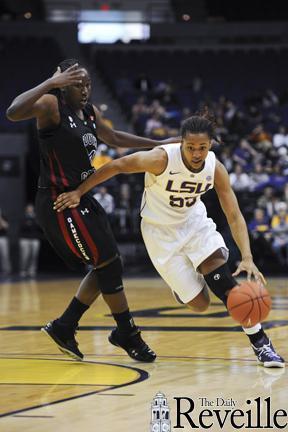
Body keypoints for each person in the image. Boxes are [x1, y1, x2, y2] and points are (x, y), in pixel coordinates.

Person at [54, 113, 285, 368]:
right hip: (159, 233)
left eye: (203, 148)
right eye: (190, 147)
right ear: (181, 143)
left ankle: (262, 344)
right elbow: (117, 165)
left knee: (225, 285)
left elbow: (233, 213)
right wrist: (78, 192)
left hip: (194, 224)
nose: (197, 154)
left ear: (210, 145)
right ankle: (182, 286)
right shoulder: (160, 159)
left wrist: (248, 257)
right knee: (200, 305)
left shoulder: (215, 168)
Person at [6, 58, 179, 363]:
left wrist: (159, 143)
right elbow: (12, 111)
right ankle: (127, 332)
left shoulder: (88, 112)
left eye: (87, 83)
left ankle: (65, 326)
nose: (85, 89)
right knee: (108, 263)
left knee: (108, 263)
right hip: (60, 200)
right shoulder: (50, 104)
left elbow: (113, 138)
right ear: (63, 84)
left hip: (81, 196)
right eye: (77, 84)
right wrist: (49, 83)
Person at [19, 204, 42, 278]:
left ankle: (32, 270)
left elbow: (39, 226)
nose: (30, 210)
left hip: (35, 239)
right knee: (25, 256)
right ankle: (23, 270)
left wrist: (32, 222)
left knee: (34, 255)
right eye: (29, 208)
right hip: (25, 239)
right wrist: (30, 224)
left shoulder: (36, 217)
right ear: (26, 209)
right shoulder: (23, 217)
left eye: (31, 208)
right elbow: (23, 226)